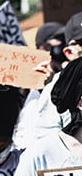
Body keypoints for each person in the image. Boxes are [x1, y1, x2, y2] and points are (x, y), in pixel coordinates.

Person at [16, 14, 78, 148]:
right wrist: (42, 87)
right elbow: (28, 132)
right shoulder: (35, 84)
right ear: (44, 47)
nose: (64, 44)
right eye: (59, 40)